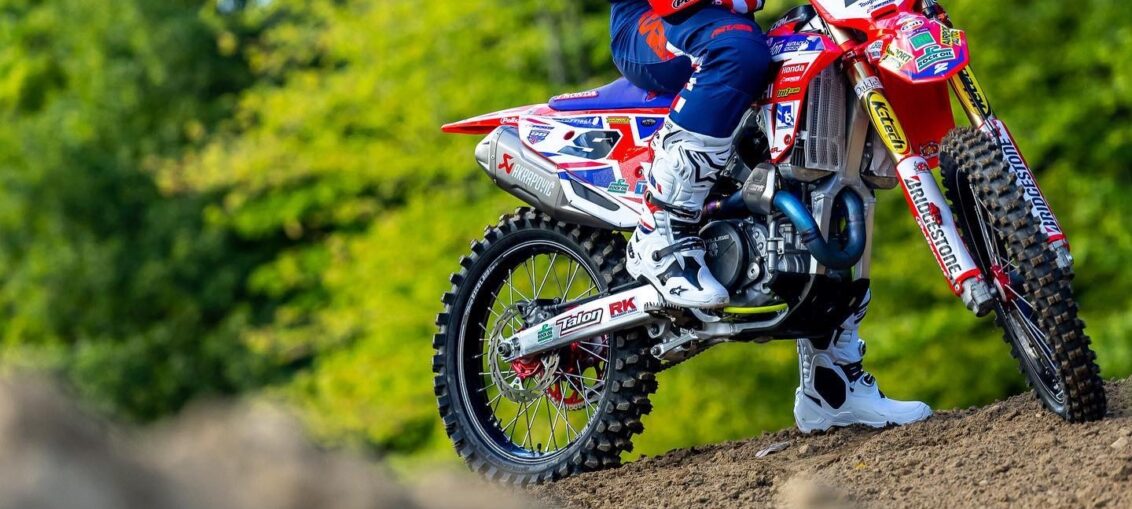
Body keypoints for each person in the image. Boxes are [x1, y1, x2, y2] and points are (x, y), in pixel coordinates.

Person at [607, 0, 933, 432]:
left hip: (725, 16)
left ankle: (831, 383)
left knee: (830, 76)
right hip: (656, 19)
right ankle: (662, 226)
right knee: (737, 51)